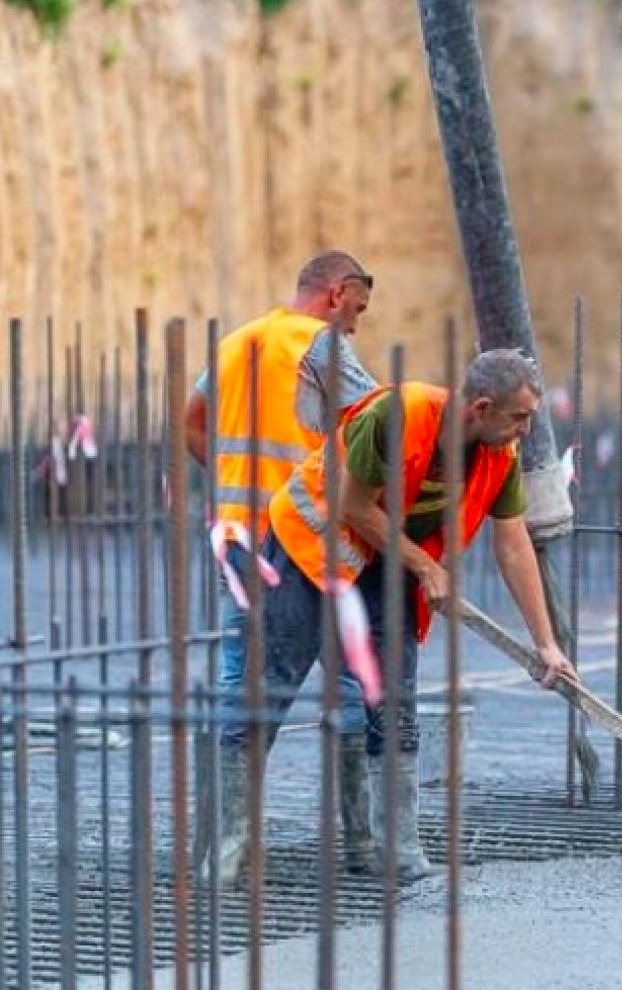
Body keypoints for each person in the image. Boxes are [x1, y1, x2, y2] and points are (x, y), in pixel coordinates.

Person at [230, 347, 578, 884]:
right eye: (520, 417)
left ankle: (390, 850)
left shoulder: (498, 453)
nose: (526, 431)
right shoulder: (399, 416)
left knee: (393, 699)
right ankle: (228, 848)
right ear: (481, 408)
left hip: (384, 558)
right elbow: (352, 506)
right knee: (270, 687)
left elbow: (513, 544)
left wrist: (546, 643)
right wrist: (424, 566)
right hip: (308, 545)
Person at [185, 251, 380, 886]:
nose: (352, 327)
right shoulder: (317, 344)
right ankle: (362, 845)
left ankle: (225, 852)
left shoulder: (238, 339)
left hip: (235, 532)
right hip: (298, 539)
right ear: (335, 292)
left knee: (240, 676)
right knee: (351, 678)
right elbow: (378, 430)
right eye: (354, 311)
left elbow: (191, 423)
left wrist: (228, 479)